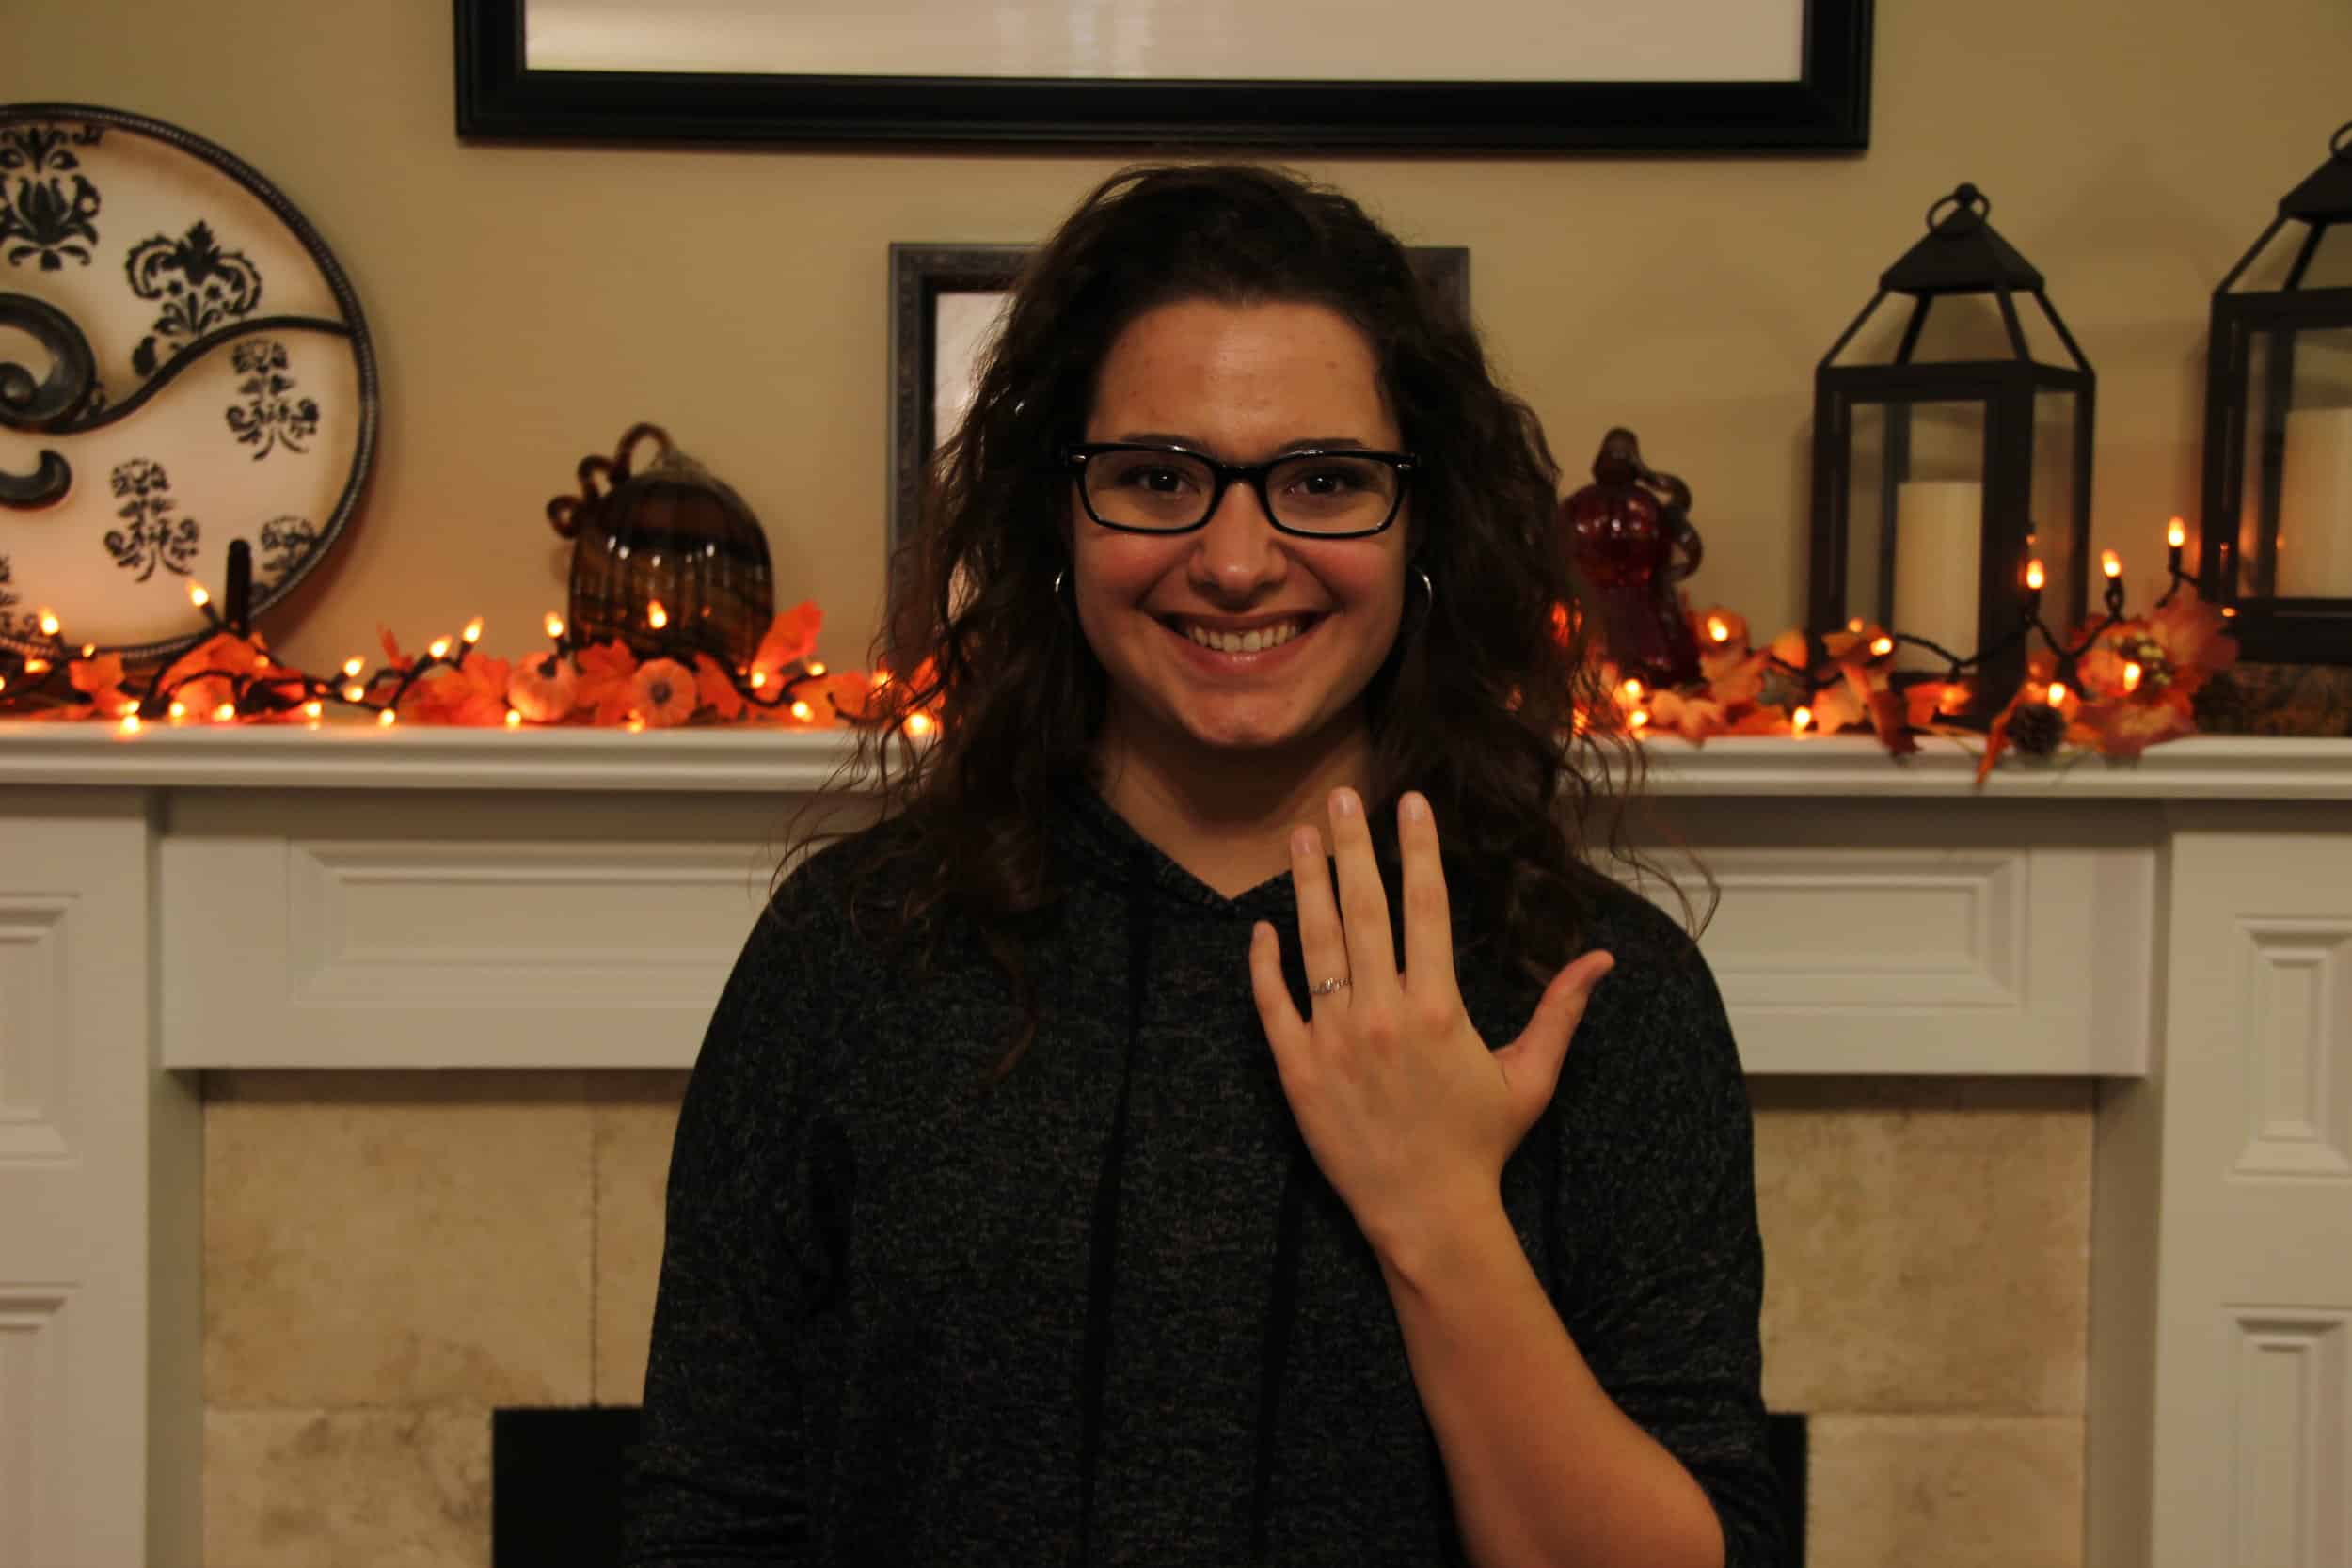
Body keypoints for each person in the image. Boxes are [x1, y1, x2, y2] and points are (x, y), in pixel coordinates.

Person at [623, 163, 1783, 1568]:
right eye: (1159, 478)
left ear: (1424, 526)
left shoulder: (1598, 993)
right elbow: (710, 1510)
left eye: (1326, 481)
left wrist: (1437, 1213)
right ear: (1059, 517)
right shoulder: (855, 952)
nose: (1238, 560)